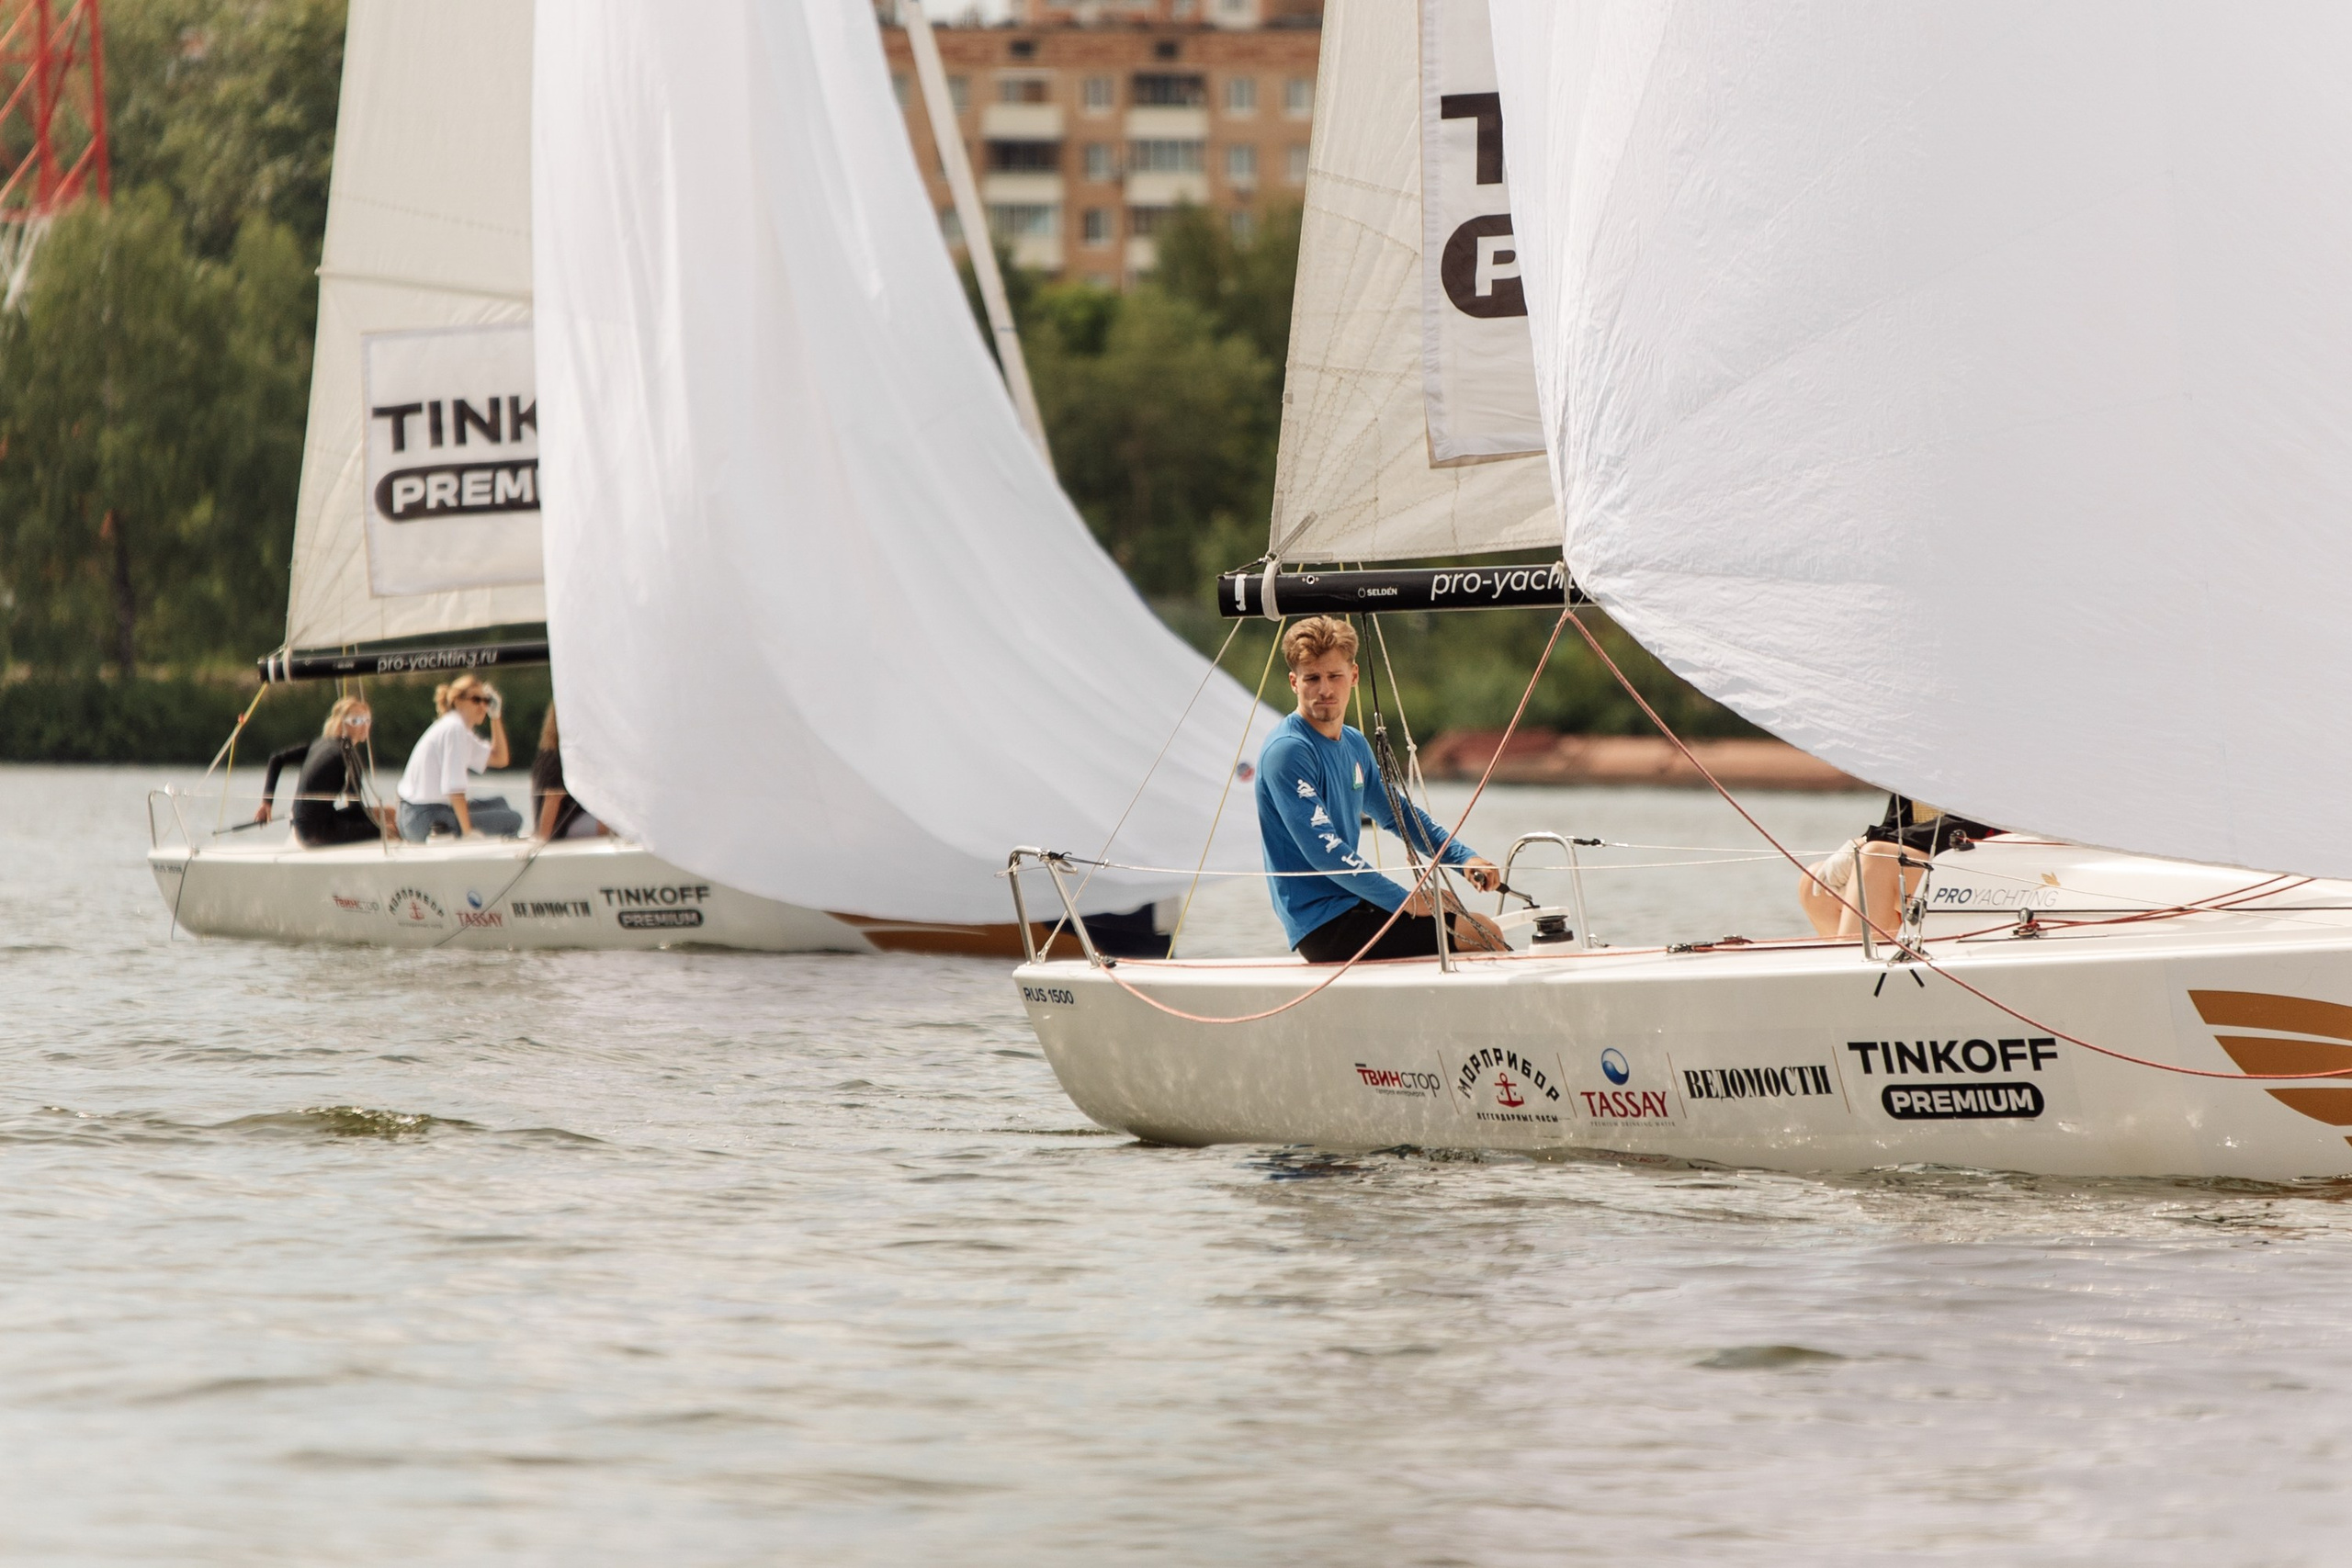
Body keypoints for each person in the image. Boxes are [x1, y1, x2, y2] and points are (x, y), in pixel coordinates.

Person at [1254, 615, 1505, 962]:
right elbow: (1324, 851)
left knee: (1474, 926)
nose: (1325, 689)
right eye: (1312, 678)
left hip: (1355, 906)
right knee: (1480, 931)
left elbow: (1398, 815)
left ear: (1353, 677)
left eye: (1334, 676)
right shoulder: (1289, 751)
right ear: (1294, 682)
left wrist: (1463, 858)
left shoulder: (1354, 743)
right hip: (1322, 924)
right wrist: (1409, 901)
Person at [1799, 794, 2000, 938]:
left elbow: (1975, 823)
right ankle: (1855, 961)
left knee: (1877, 859)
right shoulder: (1916, 760)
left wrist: (1870, 841)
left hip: (1988, 869)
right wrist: (1862, 843)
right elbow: (1895, 826)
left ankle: (1852, 973)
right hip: (1932, 870)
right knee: (1816, 882)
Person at [395, 673, 524, 840]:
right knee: (513, 819)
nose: (482, 706)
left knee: (501, 803)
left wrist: (495, 716)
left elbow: (500, 759)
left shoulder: (455, 728)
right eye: (477, 700)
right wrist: (468, 832)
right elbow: (454, 788)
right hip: (427, 819)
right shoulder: (455, 729)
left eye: (487, 701)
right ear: (457, 701)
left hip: (414, 817)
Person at [254, 696, 392, 846]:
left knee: (387, 813)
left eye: (368, 720)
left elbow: (277, 758)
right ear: (342, 724)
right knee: (391, 827)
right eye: (357, 721)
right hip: (319, 832)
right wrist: (381, 827)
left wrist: (266, 803)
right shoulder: (348, 753)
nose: (365, 726)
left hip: (299, 827)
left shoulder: (320, 743)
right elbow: (355, 808)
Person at [530, 705, 606, 840]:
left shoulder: (547, 754)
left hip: (568, 824)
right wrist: (541, 843)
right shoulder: (556, 760)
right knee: (615, 823)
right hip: (561, 830)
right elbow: (552, 800)